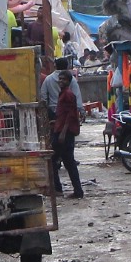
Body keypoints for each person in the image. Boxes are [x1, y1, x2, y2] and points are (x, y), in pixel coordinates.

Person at [48, 69, 84, 200]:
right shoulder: (63, 93)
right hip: (61, 130)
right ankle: (75, 190)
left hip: (64, 133)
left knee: (55, 161)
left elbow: (71, 115)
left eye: (64, 79)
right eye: (60, 79)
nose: (61, 81)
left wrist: (63, 132)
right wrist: (56, 122)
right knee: (67, 162)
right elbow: (65, 114)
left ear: (69, 81)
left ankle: (59, 189)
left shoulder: (67, 94)